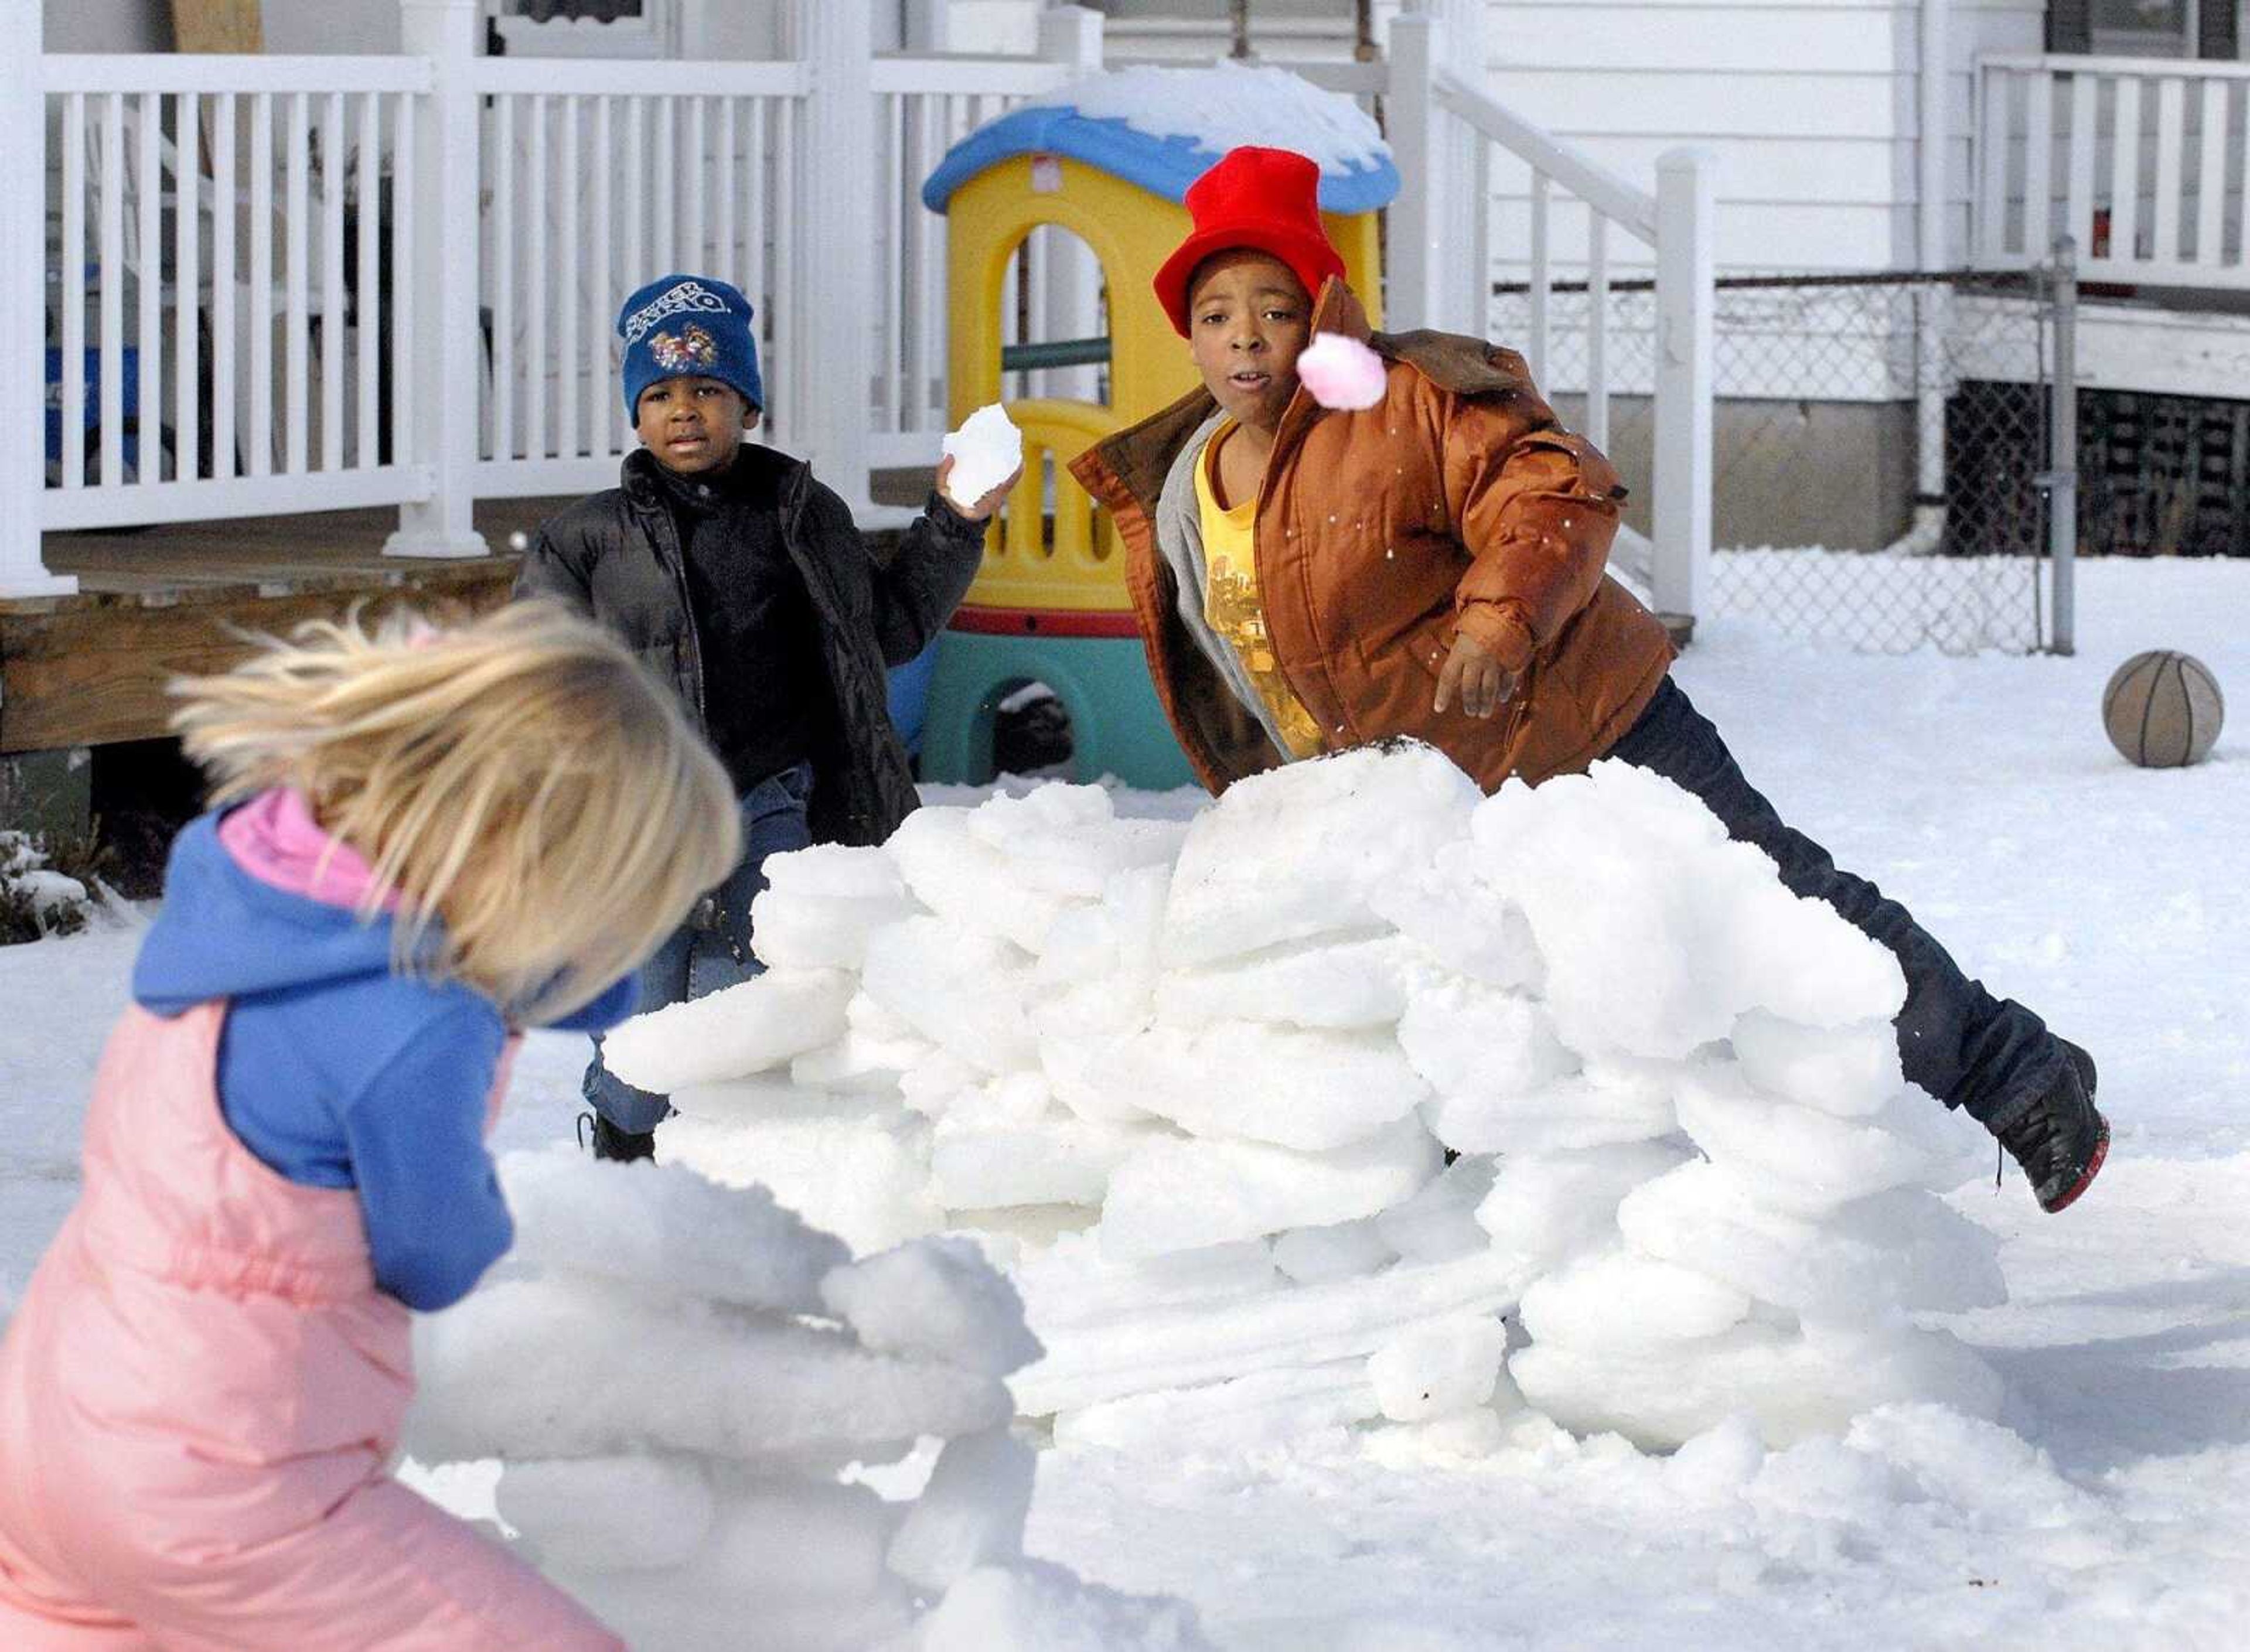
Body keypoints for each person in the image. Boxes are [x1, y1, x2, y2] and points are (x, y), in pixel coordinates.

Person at [1068, 145, 2107, 1213]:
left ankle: (2014, 1073)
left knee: (1780, 911)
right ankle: (1511, 1254)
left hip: (1590, 730)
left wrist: (1499, 620)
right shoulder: (1187, 483)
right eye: (1216, 313)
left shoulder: (1411, 398)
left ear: (1324, 312)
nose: (1245, 334)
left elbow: (1553, 491)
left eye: (1275, 307)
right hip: (1422, 807)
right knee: (1501, 1014)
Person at [0, 603, 740, 1649]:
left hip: (49, 1432)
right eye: (606, 911)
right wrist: (493, 1225)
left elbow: (460, 967)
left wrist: (570, 983)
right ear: (533, 875)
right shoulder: (418, 1026)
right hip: (221, 1487)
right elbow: (437, 1250)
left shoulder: (256, 885)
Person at [516, 272, 1014, 1162]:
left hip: (772, 796)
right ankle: (627, 1145)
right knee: (645, 998)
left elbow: (887, 629)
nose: (684, 411)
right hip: (640, 817)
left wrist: (954, 521)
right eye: (660, 393)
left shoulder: (801, 514)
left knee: (757, 979)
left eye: (708, 390)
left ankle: (723, 1155)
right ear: (635, 415)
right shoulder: (585, 541)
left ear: (746, 404)